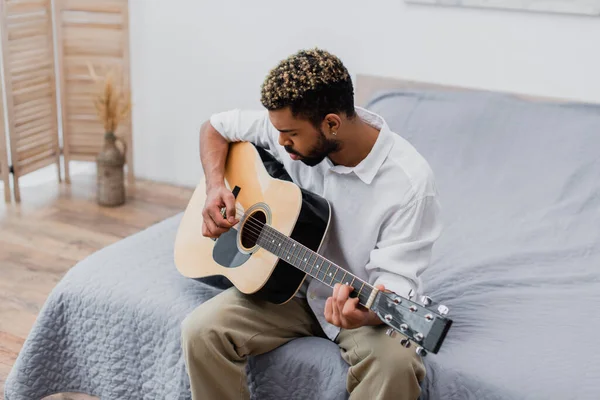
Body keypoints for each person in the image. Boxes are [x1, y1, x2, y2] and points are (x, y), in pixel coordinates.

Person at [181, 48, 443, 400]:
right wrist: (216, 187)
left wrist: (365, 317)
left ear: (332, 123)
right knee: (200, 330)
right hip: (287, 286)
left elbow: (395, 282)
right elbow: (213, 127)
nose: (282, 143)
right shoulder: (289, 128)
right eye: (278, 132)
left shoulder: (409, 182)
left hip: (353, 301)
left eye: (290, 134)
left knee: (395, 364)